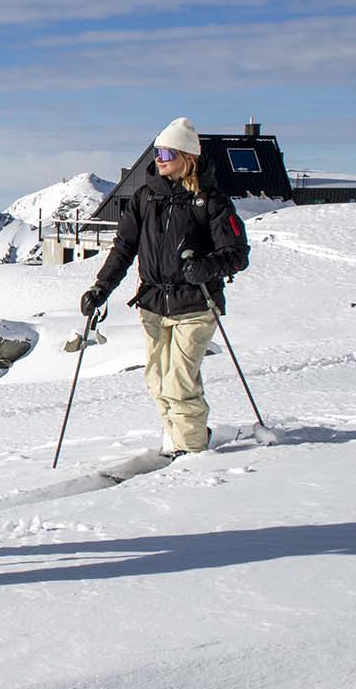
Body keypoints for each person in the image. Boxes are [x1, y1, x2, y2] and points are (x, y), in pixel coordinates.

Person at [79, 117, 250, 456]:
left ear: (187, 156)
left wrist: (206, 267)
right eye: (157, 152)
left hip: (196, 303)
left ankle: (192, 453)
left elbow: (237, 254)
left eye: (167, 153)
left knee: (179, 383)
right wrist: (101, 288)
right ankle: (181, 439)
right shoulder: (145, 198)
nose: (159, 159)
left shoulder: (210, 201)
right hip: (154, 303)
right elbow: (124, 248)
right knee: (157, 381)